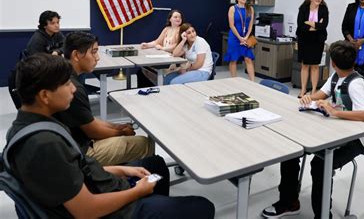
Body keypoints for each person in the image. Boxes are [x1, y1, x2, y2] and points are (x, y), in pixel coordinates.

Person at [6, 53, 215, 218]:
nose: (73, 88)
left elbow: (74, 169)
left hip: (94, 182)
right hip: (106, 210)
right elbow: (86, 211)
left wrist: (119, 169)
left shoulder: (27, 125)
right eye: (66, 84)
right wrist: (136, 193)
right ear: (45, 95)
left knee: (155, 164)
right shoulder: (44, 145)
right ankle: (145, 208)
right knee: (202, 206)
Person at [262, 40, 364, 219]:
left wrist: (334, 112)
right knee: (291, 150)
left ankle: (322, 215)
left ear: (333, 63)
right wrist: (309, 98)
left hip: (355, 140)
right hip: (334, 130)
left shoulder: (355, 84)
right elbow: (321, 94)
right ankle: (289, 202)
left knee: (320, 164)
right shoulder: (336, 76)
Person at [53, 31, 155, 166]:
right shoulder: (73, 87)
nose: (97, 57)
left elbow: (88, 120)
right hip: (79, 153)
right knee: (145, 144)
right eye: (93, 52)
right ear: (76, 55)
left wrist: (117, 127)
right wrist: (121, 133)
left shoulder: (63, 75)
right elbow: (92, 130)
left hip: (68, 144)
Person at [137, 9, 184, 87]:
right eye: (175, 17)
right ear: (170, 19)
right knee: (142, 71)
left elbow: (176, 47)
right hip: (164, 57)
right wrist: (147, 45)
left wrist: (162, 48)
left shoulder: (181, 30)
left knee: (153, 71)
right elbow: (157, 42)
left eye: (180, 17)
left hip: (174, 61)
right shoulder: (166, 29)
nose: (178, 19)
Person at [296, 0, 329, 98]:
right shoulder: (303, 8)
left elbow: (323, 26)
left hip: (317, 41)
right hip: (304, 40)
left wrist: (310, 23)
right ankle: (303, 90)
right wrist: (316, 25)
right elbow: (300, 25)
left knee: (315, 66)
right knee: (304, 65)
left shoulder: (324, 9)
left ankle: (314, 90)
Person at [224, 0, 255, 81]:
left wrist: (246, 37)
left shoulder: (250, 9)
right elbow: (231, 25)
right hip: (235, 37)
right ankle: (234, 81)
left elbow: (250, 25)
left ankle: (252, 82)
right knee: (234, 60)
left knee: (248, 59)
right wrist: (240, 38)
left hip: (245, 37)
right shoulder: (232, 9)